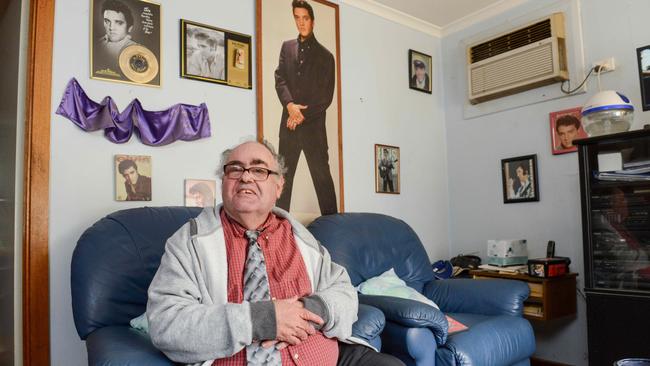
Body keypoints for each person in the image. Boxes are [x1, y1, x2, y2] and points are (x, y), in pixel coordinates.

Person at [147, 140, 404, 366]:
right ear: (224, 181)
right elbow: (167, 324)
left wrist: (311, 309)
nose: (245, 177)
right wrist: (263, 319)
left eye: (259, 170)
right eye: (235, 169)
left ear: (279, 186)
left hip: (328, 356)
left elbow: (344, 292)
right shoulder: (188, 242)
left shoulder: (300, 237)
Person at [275, 0, 338, 215]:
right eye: (297, 17)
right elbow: (280, 78)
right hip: (289, 129)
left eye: (305, 18)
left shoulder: (326, 56)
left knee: (323, 182)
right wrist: (290, 105)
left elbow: (325, 96)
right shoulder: (287, 47)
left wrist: (301, 114)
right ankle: (277, 232)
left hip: (314, 130)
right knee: (282, 183)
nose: (301, 23)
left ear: (313, 21)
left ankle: (334, 228)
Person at [94, 0, 139, 76]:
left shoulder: (136, 50)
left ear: (129, 28)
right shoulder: (96, 44)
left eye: (119, 23)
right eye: (107, 21)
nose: (111, 28)